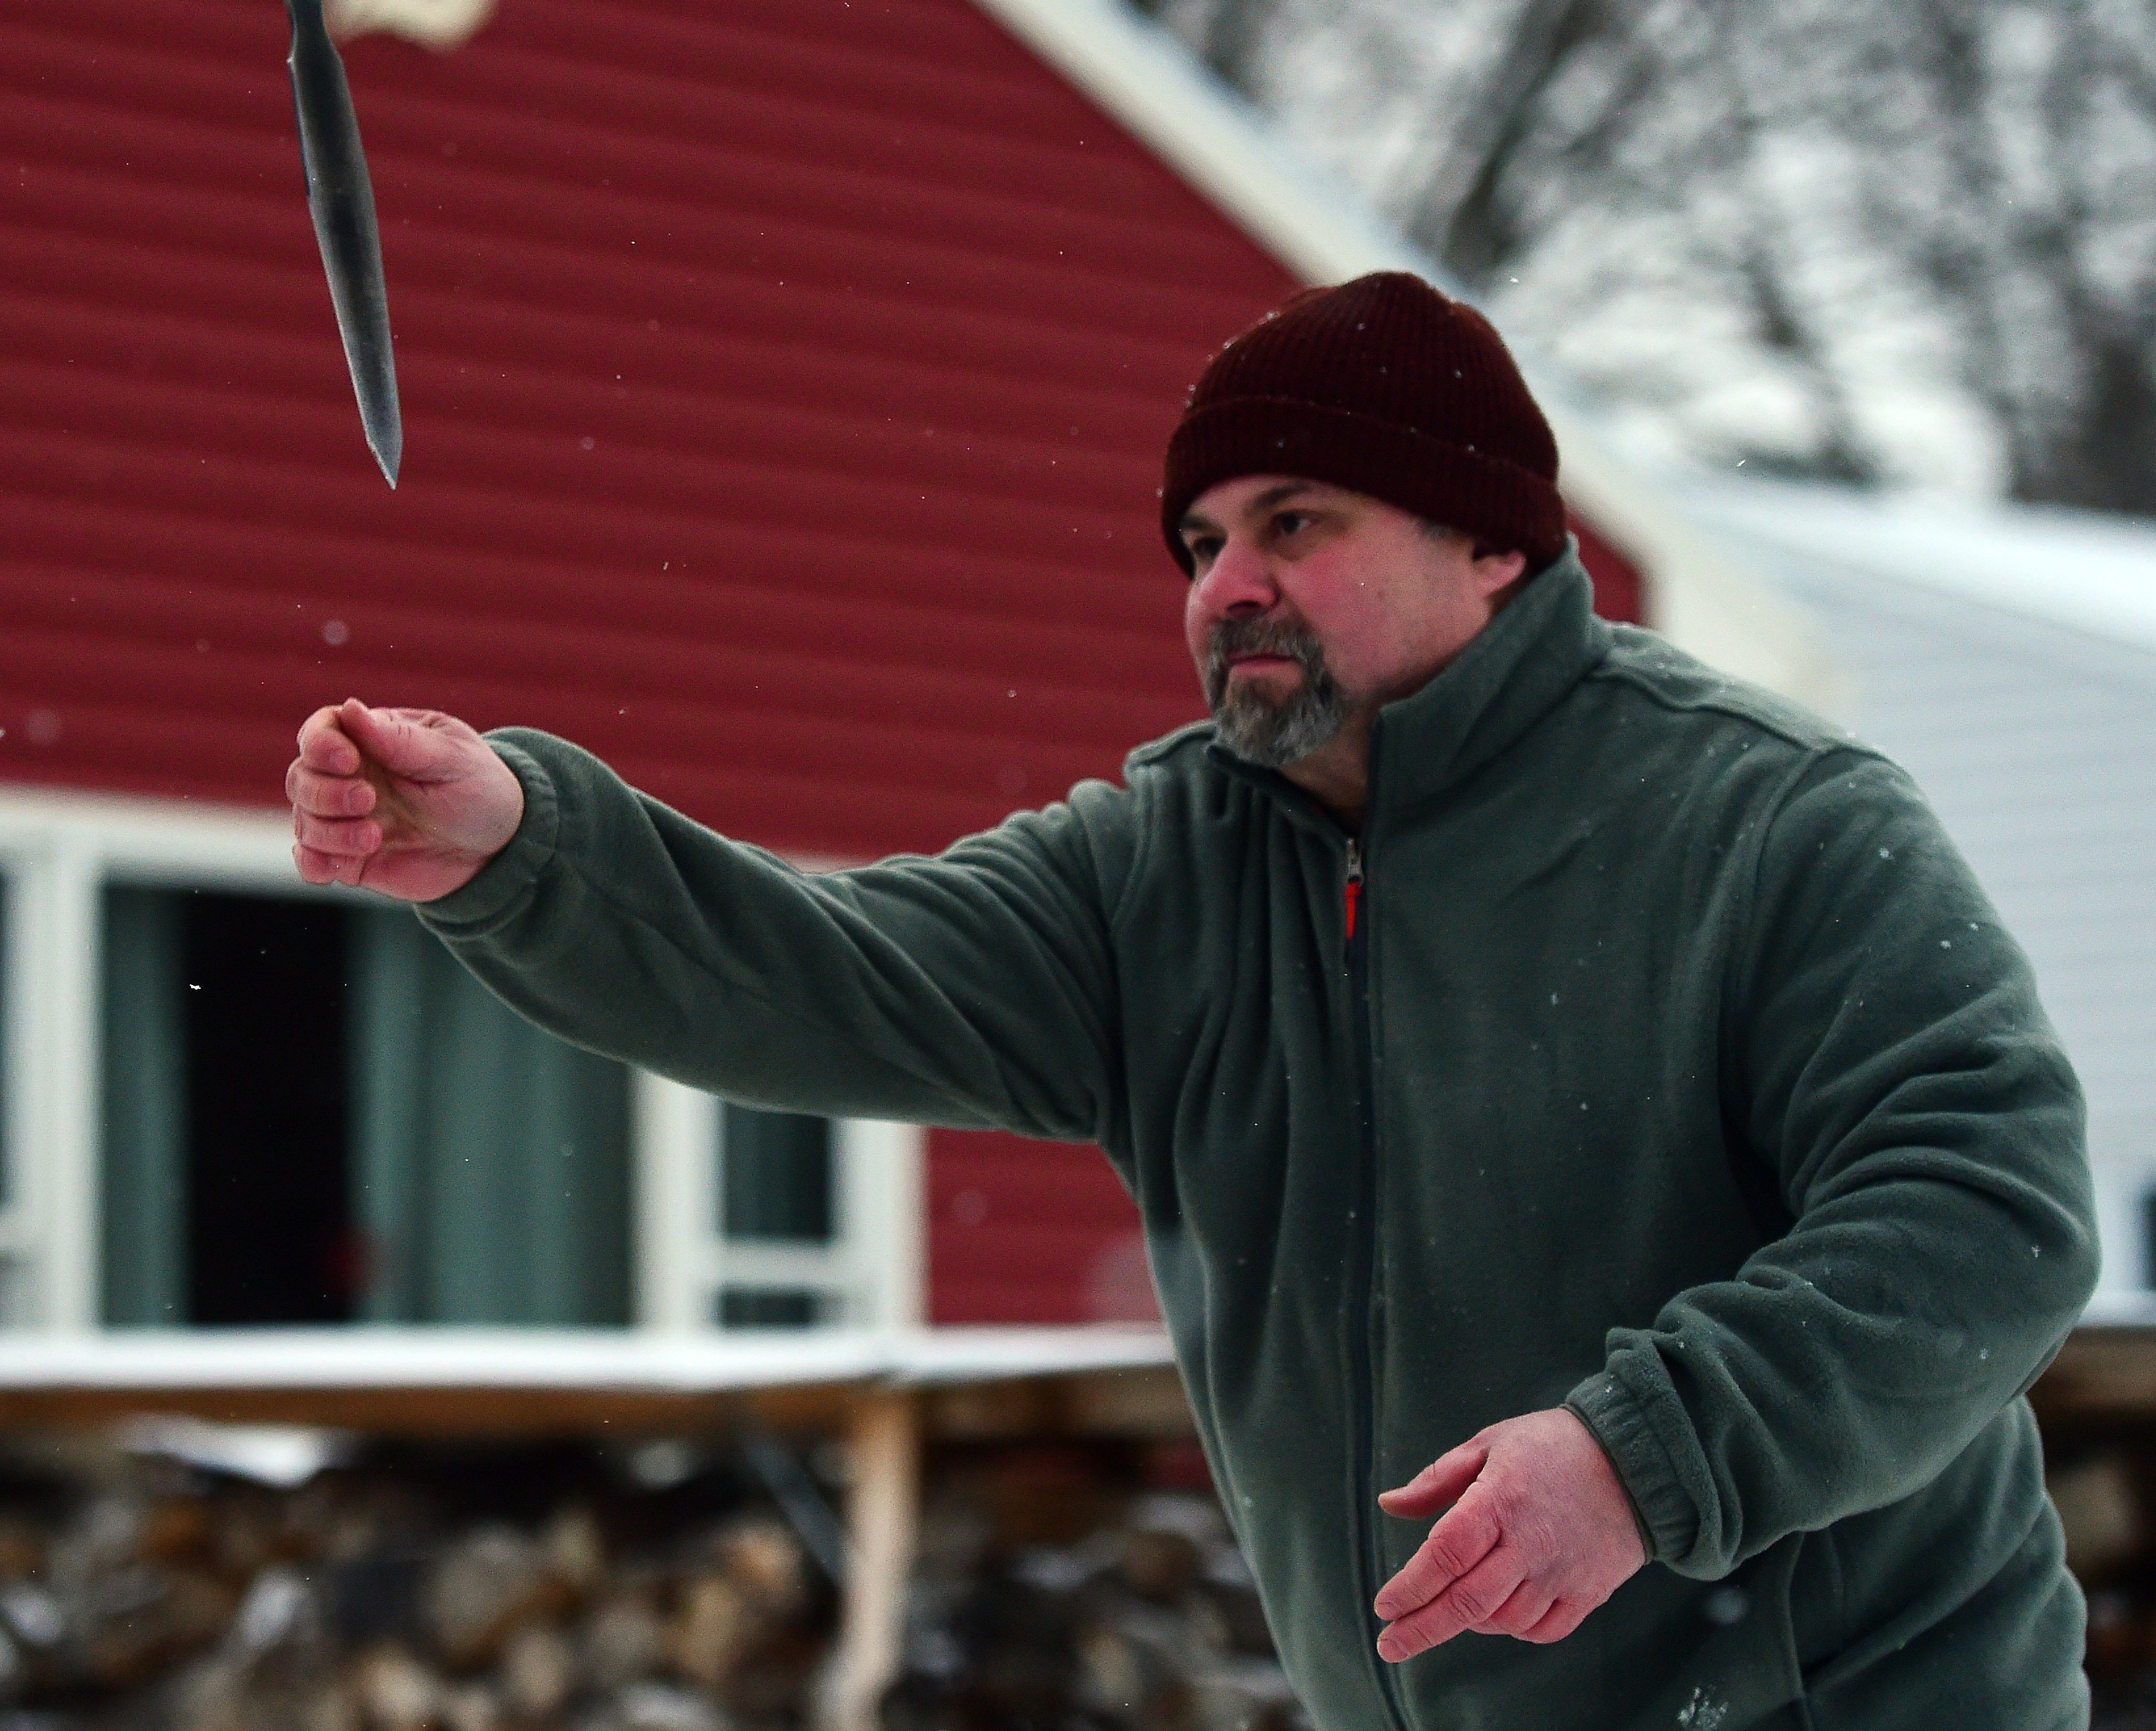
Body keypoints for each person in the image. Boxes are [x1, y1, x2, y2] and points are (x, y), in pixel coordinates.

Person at [286, 271, 2098, 1731]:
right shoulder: (1165, 870)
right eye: (1200, 543)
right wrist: (525, 847)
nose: (1226, 585)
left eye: (1292, 523)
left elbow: (1988, 1209)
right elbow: (825, 973)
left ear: (1491, 545)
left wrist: (1645, 1457)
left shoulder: (1762, 822)